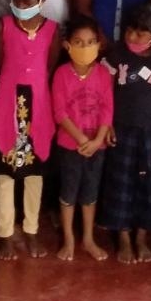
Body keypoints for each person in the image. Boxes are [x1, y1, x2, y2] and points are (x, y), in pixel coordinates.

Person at [0, 0, 61, 260]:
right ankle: (5, 234)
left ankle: (31, 230)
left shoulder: (53, 30)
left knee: (34, 175)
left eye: (28, 1)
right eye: (17, 0)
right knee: (4, 175)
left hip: (38, 109)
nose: (21, 5)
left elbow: (49, 69)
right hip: (6, 107)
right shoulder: (2, 26)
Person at [99, 4, 151, 264]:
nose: (132, 36)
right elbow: (107, 93)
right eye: (130, 30)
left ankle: (141, 237)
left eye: (141, 33)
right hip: (121, 129)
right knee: (120, 183)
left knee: (150, 185)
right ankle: (123, 237)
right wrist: (107, 124)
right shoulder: (117, 56)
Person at [52, 15, 113, 262]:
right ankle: (68, 238)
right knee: (68, 193)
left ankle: (88, 239)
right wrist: (80, 139)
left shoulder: (103, 74)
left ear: (99, 44)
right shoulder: (61, 74)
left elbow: (108, 110)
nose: (85, 47)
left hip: (97, 147)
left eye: (90, 42)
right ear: (67, 45)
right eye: (78, 42)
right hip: (70, 146)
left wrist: (98, 140)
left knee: (90, 194)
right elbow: (59, 113)